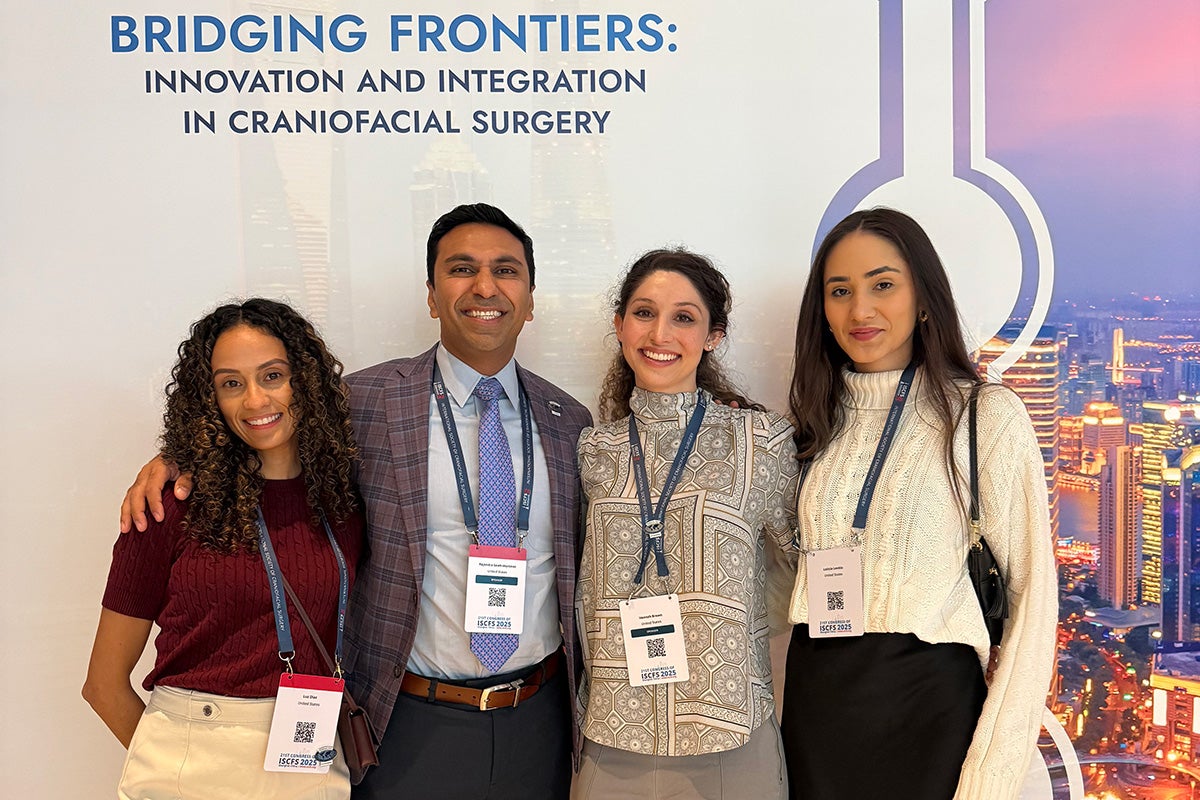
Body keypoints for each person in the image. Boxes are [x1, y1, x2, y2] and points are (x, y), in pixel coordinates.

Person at [119, 204, 592, 799]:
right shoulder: (363, 402)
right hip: (408, 721)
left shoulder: (569, 421)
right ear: (431, 293)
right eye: (461, 268)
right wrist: (175, 462)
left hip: (537, 720)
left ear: (529, 295)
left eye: (506, 270)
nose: (484, 286)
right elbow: (264, 433)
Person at [781, 207, 1057, 799]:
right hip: (817, 711)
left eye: (883, 284)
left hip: (930, 715)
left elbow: (1033, 606)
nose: (860, 310)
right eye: (839, 291)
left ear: (924, 296)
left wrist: (991, 777)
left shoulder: (984, 418)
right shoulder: (812, 426)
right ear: (822, 312)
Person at [84, 298, 365, 799]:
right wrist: (168, 766)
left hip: (310, 761)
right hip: (191, 762)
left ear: (306, 379)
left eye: (273, 375)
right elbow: (103, 684)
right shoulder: (168, 507)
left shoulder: (343, 502)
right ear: (209, 399)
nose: (255, 400)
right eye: (231, 383)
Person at [572, 249, 797, 799]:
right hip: (611, 735)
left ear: (713, 335)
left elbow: (804, 566)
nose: (660, 333)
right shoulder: (591, 450)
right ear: (620, 325)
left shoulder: (759, 443)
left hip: (731, 735)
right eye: (644, 312)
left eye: (684, 317)